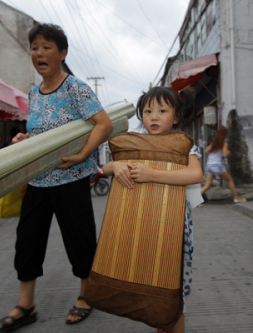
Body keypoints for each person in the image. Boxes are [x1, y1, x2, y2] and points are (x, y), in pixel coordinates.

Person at [0, 23, 113, 332]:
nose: (39, 53)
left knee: (80, 238)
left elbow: (103, 123)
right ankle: (25, 305)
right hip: (37, 180)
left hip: (71, 178)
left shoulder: (75, 88)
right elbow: (39, 134)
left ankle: (86, 296)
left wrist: (85, 154)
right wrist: (23, 140)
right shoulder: (34, 93)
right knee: (27, 241)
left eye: (47, 47)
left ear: (62, 53)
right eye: (35, 47)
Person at [102, 87, 203, 333]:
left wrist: (152, 174)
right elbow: (102, 170)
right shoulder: (132, 143)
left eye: (162, 110)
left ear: (176, 117)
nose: (154, 116)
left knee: (173, 293)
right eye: (148, 111)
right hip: (141, 224)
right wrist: (115, 165)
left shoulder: (183, 145)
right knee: (151, 281)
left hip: (173, 226)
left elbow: (195, 174)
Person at [200, 126, 247, 203]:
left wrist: (213, 155)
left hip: (209, 164)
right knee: (230, 180)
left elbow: (206, 151)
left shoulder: (214, 142)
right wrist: (228, 152)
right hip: (217, 165)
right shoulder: (224, 143)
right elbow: (225, 154)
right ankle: (236, 197)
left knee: (208, 184)